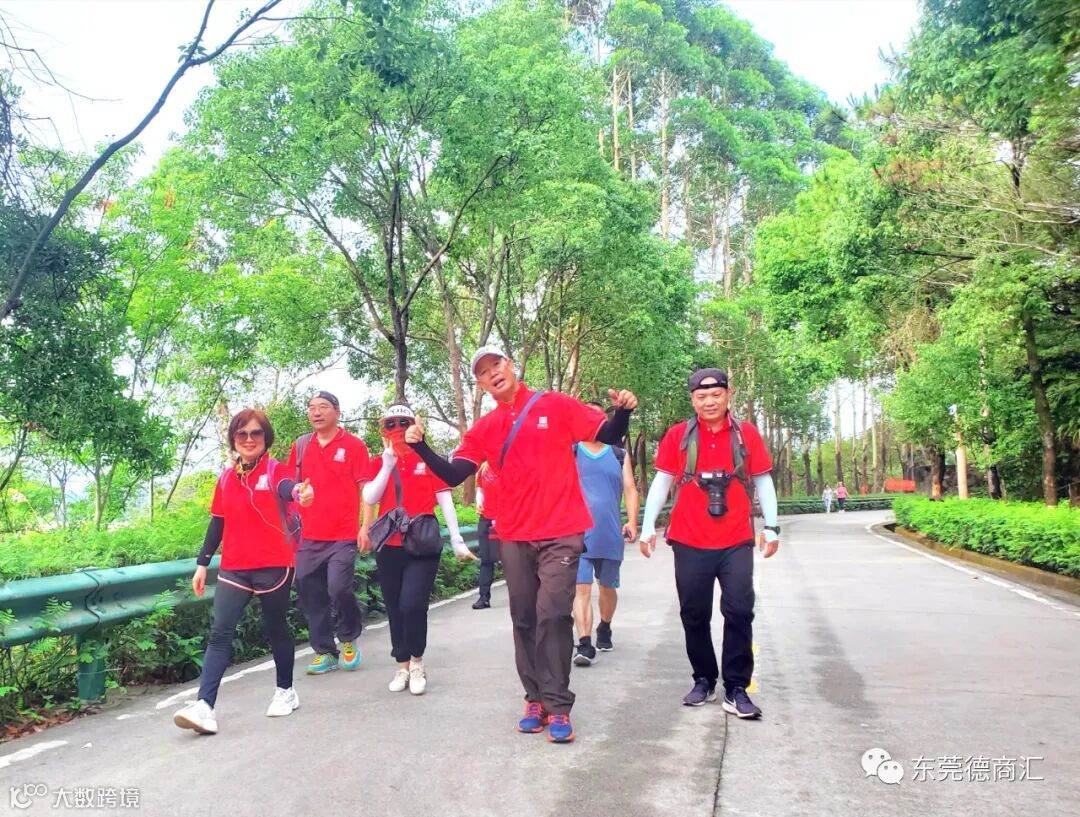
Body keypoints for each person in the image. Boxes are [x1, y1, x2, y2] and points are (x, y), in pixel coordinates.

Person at [404, 345, 636, 743]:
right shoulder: (485, 428)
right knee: (524, 617)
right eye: (483, 372)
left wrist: (624, 412)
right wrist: (421, 446)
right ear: (480, 385)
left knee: (554, 614)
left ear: (511, 366)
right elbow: (455, 474)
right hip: (514, 534)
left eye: (497, 364)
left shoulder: (555, 405)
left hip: (562, 530)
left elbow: (609, 434)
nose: (492, 373)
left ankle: (558, 704)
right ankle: (535, 698)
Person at [638, 368, 779, 719]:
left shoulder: (745, 434)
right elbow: (662, 481)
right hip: (689, 539)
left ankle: (736, 687)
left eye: (716, 394)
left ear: (728, 395)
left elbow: (762, 480)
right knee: (694, 613)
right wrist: (647, 526)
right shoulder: (679, 436)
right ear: (693, 400)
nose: (709, 402)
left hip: (736, 539)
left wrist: (772, 527)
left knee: (739, 610)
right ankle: (703, 678)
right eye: (701, 397)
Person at [174, 409, 314, 735]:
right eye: (242, 434)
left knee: (275, 628)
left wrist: (301, 493)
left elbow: (289, 488)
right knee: (220, 633)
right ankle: (204, 706)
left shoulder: (275, 470)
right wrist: (202, 564)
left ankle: (285, 690)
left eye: (256, 433)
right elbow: (217, 521)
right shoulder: (226, 478)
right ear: (234, 440)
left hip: (274, 565)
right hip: (234, 568)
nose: (249, 440)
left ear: (266, 438)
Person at [361, 403, 476, 695]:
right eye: (391, 423)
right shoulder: (379, 462)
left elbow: (446, 501)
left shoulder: (428, 459)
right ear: (383, 430)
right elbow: (370, 497)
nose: (398, 428)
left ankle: (416, 662)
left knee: (412, 605)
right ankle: (401, 665)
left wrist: (457, 540)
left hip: (422, 543)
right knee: (394, 606)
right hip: (390, 545)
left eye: (404, 422)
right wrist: (387, 464)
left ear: (416, 425)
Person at [286, 391, 371, 675]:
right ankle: (325, 651)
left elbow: (366, 490)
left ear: (337, 412)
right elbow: (289, 487)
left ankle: (348, 637)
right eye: (311, 407)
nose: (316, 412)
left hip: (343, 535)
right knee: (309, 591)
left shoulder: (354, 446)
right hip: (309, 536)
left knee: (338, 588)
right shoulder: (301, 446)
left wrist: (365, 526)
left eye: (323, 407)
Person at [571, 404, 639, 667]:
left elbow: (630, 489)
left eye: (597, 416)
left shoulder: (618, 454)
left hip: (609, 533)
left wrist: (632, 521)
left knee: (607, 587)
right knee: (581, 587)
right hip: (577, 533)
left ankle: (605, 626)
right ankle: (584, 643)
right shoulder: (571, 451)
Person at [473, 462, 501, 610]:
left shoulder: (509, 464)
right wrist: (479, 503)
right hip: (486, 518)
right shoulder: (483, 468)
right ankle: (484, 597)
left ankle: (522, 597)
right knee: (486, 559)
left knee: (513, 559)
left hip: (508, 518)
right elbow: (480, 489)